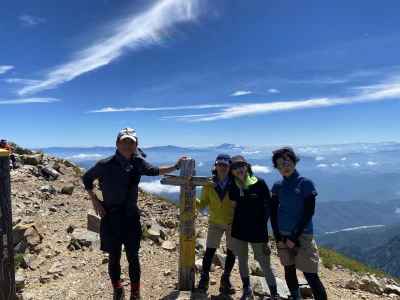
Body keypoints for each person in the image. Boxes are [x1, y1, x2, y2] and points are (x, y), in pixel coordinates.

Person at [82, 128, 185, 300]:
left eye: (131, 142)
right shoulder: (104, 164)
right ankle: (117, 288)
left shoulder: (138, 163)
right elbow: (86, 179)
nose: (127, 145)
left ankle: (135, 292)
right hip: (111, 216)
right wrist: (95, 200)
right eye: (124, 141)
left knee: (133, 257)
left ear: (136, 145)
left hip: (131, 217)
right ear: (117, 143)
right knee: (114, 257)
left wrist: (175, 166)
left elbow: (155, 171)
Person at [271, 147, 327, 300]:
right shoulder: (277, 186)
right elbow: (273, 212)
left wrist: (294, 237)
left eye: (287, 162)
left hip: (302, 236)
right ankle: (296, 297)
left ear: (294, 162)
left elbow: (309, 212)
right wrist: (278, 235)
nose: (284, 167)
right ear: (277, 168)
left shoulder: (305, 183)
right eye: (280, 165)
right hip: (283, 235)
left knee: (310, 274)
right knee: (289, 270)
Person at [229, 155, 279, 300]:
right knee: (242, 260)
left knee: (264, 263)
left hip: (258, 232)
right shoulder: (233, 186)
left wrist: (264, 224)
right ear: (232, 171)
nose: (239, 169)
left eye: (241, 166)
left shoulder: (259, 183)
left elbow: (269, 205)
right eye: (235, 167)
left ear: (247, 167)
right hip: (239, 230)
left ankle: (274, 293)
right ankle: (247, 289)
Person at [196, 154, 236, 295]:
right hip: (215, 222)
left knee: (232, 251)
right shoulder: (209, 183)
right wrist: (189, 195)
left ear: (229, 167)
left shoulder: (235, 182)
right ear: (215, 166)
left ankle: (226, 278)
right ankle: (204, 277)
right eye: (220, 164)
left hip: (233, 222)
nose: (222, 167)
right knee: (210, 251)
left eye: (225, 165)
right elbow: (203, 204)